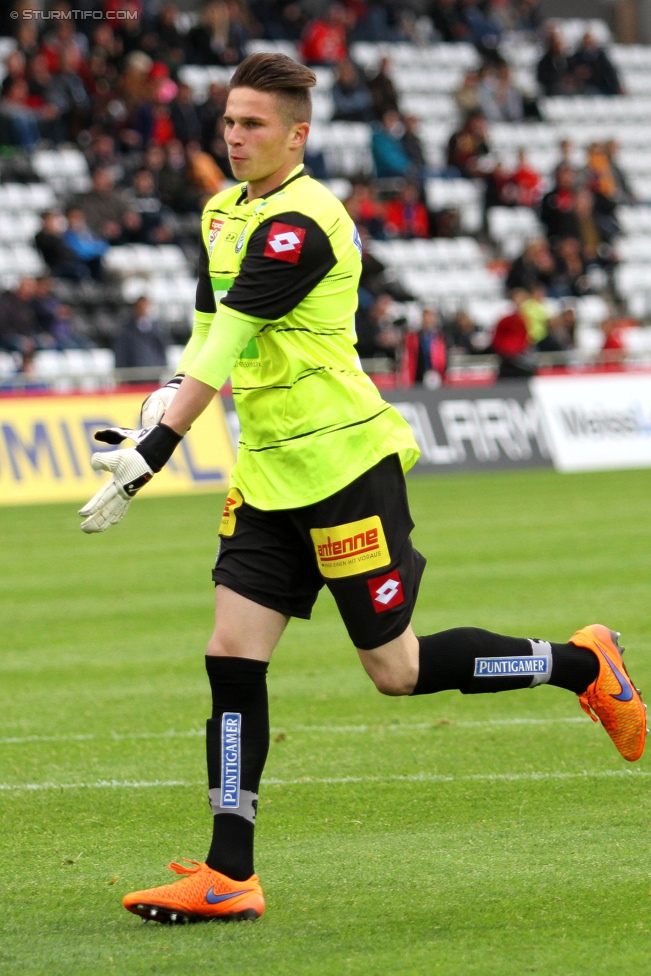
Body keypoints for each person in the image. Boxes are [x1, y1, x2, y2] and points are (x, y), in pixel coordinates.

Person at [77, 52, 647, 926]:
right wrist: (152, 410)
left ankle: (580, 664)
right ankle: (230, 873)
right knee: (231, 659)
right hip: (266, 476)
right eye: (228, 120)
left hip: (344, 470)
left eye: (253, 124)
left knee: (396, 669)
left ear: (296, 134)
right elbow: (200, 339)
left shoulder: (300, 224)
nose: (233, 137)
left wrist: (157, 448)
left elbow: (232, 336)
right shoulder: (223, 213)